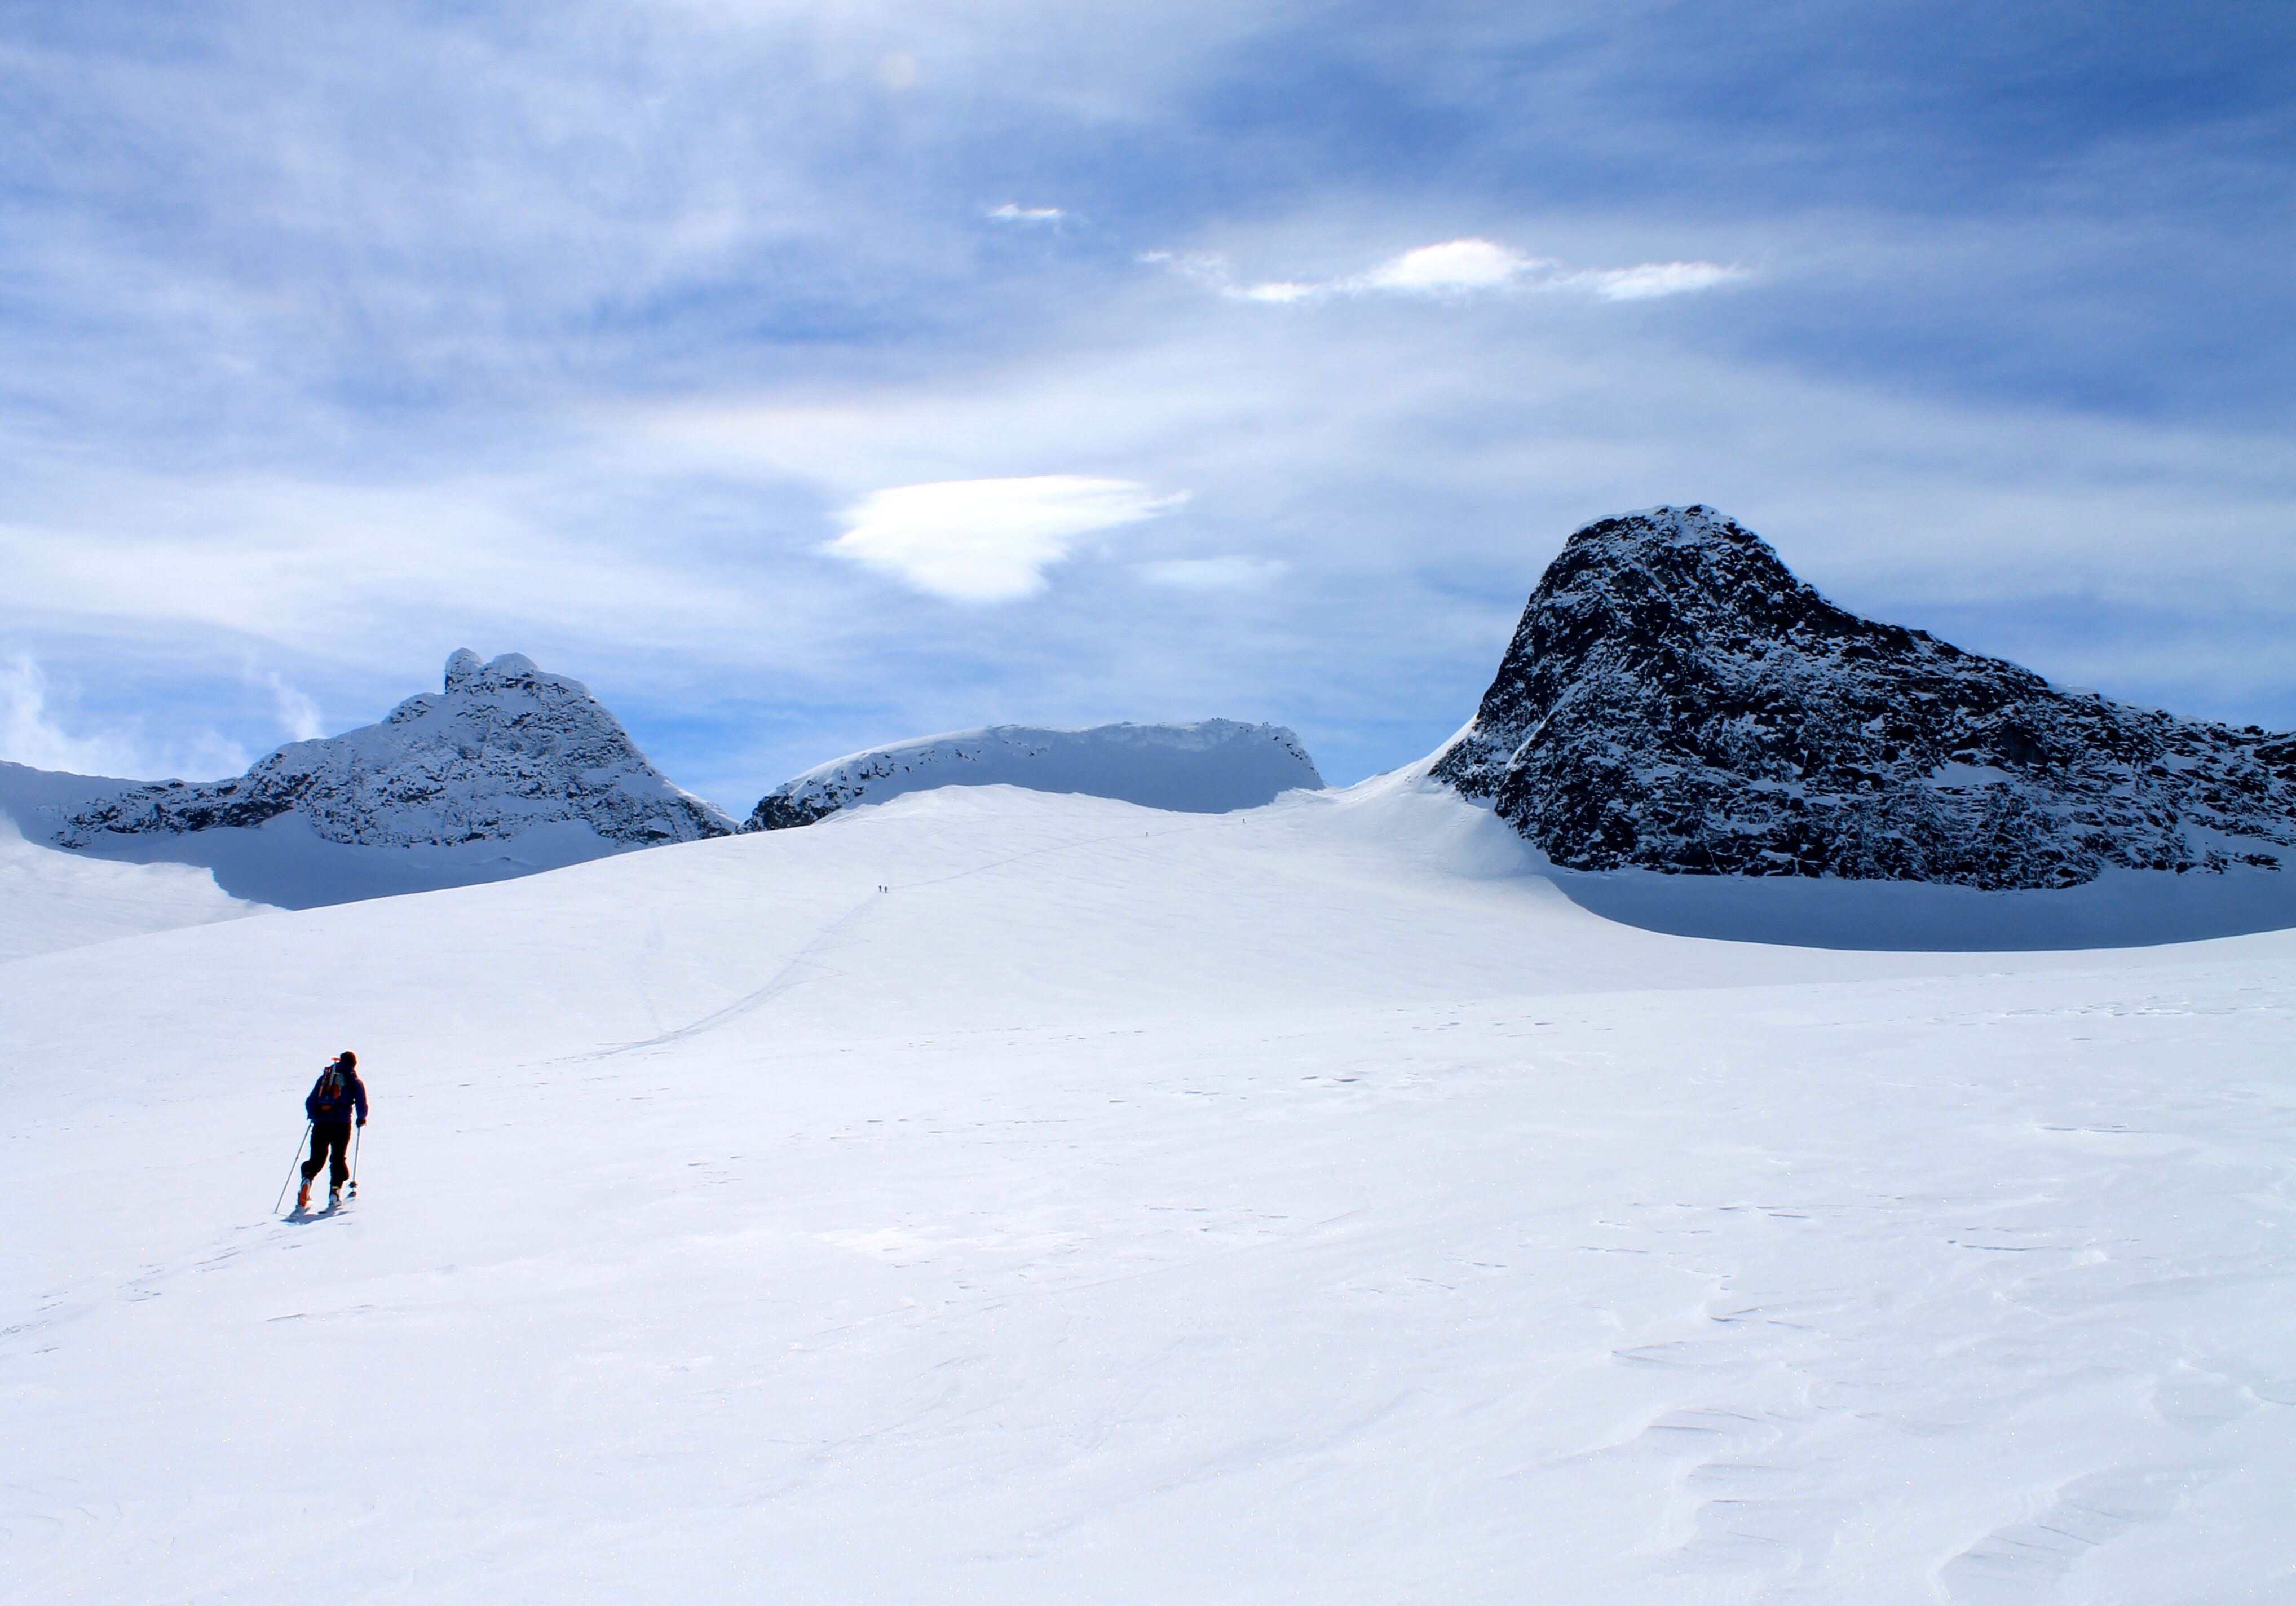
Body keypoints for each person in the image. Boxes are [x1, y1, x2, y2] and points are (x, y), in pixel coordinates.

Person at [298, 1051, 368, 1210]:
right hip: (342, 1125)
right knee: (337, 1158)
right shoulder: (354, 1081)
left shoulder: (325, 1078)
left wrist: (314, 1115)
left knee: (317, 1157)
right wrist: (361, 1118)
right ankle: (335, 1193)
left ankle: (307, 1179)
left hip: (321, 1124)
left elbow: (310, 1101)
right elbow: (362, 1104)